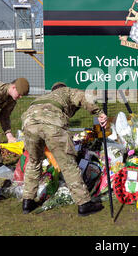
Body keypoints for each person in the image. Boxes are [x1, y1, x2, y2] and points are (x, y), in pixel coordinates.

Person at [20, 82, 108, 215]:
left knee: (34, 161)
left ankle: (28, 201)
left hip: (29, 124)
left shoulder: (43, 96)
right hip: (52, 124)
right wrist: (99, 113)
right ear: (62, 88)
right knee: (68, 165)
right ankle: (84, 203)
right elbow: (84, 98)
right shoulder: (66, 91)